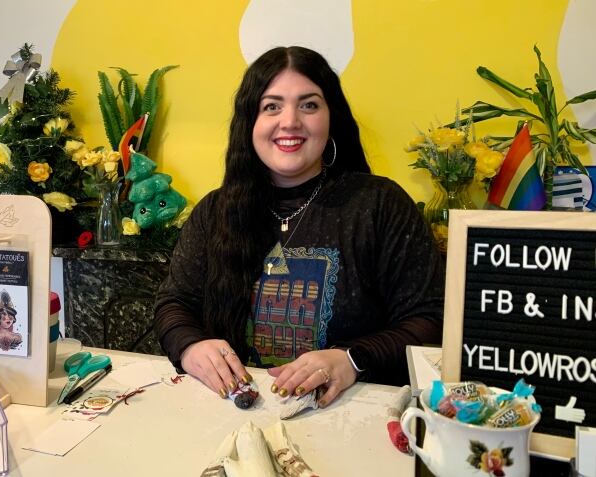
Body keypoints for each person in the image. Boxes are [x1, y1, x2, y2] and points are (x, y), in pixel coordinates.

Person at [154, 46, 444, 408]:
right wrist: (190, 346)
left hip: (353, 417)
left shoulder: (380, 204)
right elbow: (174, 303)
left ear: (331, 117)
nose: (289, 121)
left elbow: (430, 320)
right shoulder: (215, 211)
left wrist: (353, 359)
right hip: (233, 412)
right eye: (271, 106)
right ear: (250, 123)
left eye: (308, 105)